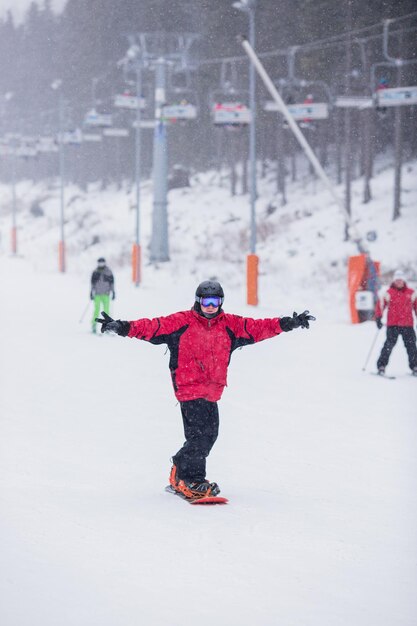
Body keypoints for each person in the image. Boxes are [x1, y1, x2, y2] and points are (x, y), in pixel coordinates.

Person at [96, 280, 316, 499]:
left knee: (209, 435)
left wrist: (288, 323)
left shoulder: (230, 325)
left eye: (215, 301)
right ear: (198, 301)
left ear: (221, 302)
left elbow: (258, 328)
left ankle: (181, 472)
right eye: (206, 301)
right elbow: (151, 326)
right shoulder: (181, 322)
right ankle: (191, 479)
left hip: (212, 391)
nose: (210, 306)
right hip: (189, 387)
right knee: (200, 437)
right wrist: (122, 327)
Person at [375, 269, 417, 376]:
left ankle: (415, 366)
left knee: (411, 347)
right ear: (394, 281)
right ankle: (381, 366)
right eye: (397, 280)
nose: (399, 282)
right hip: (393, 325)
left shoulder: (411, 293)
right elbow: (380, 305)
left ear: (404, 281)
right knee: (388, 346)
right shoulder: (388, 293)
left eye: (400, 280)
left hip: (407, 324)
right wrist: (378, 318)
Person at [90, 257, 115, 334]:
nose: (101, 264)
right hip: (97, 294)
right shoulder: (95, 272)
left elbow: (112, 282)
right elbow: (92, 283)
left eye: (102, 262)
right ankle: (94, 325)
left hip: (106, 294)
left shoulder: (108, 271)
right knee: (96, 310)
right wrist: (91, 292)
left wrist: (113, 291)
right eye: (100, 262)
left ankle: (108, 326)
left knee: (106, 311)